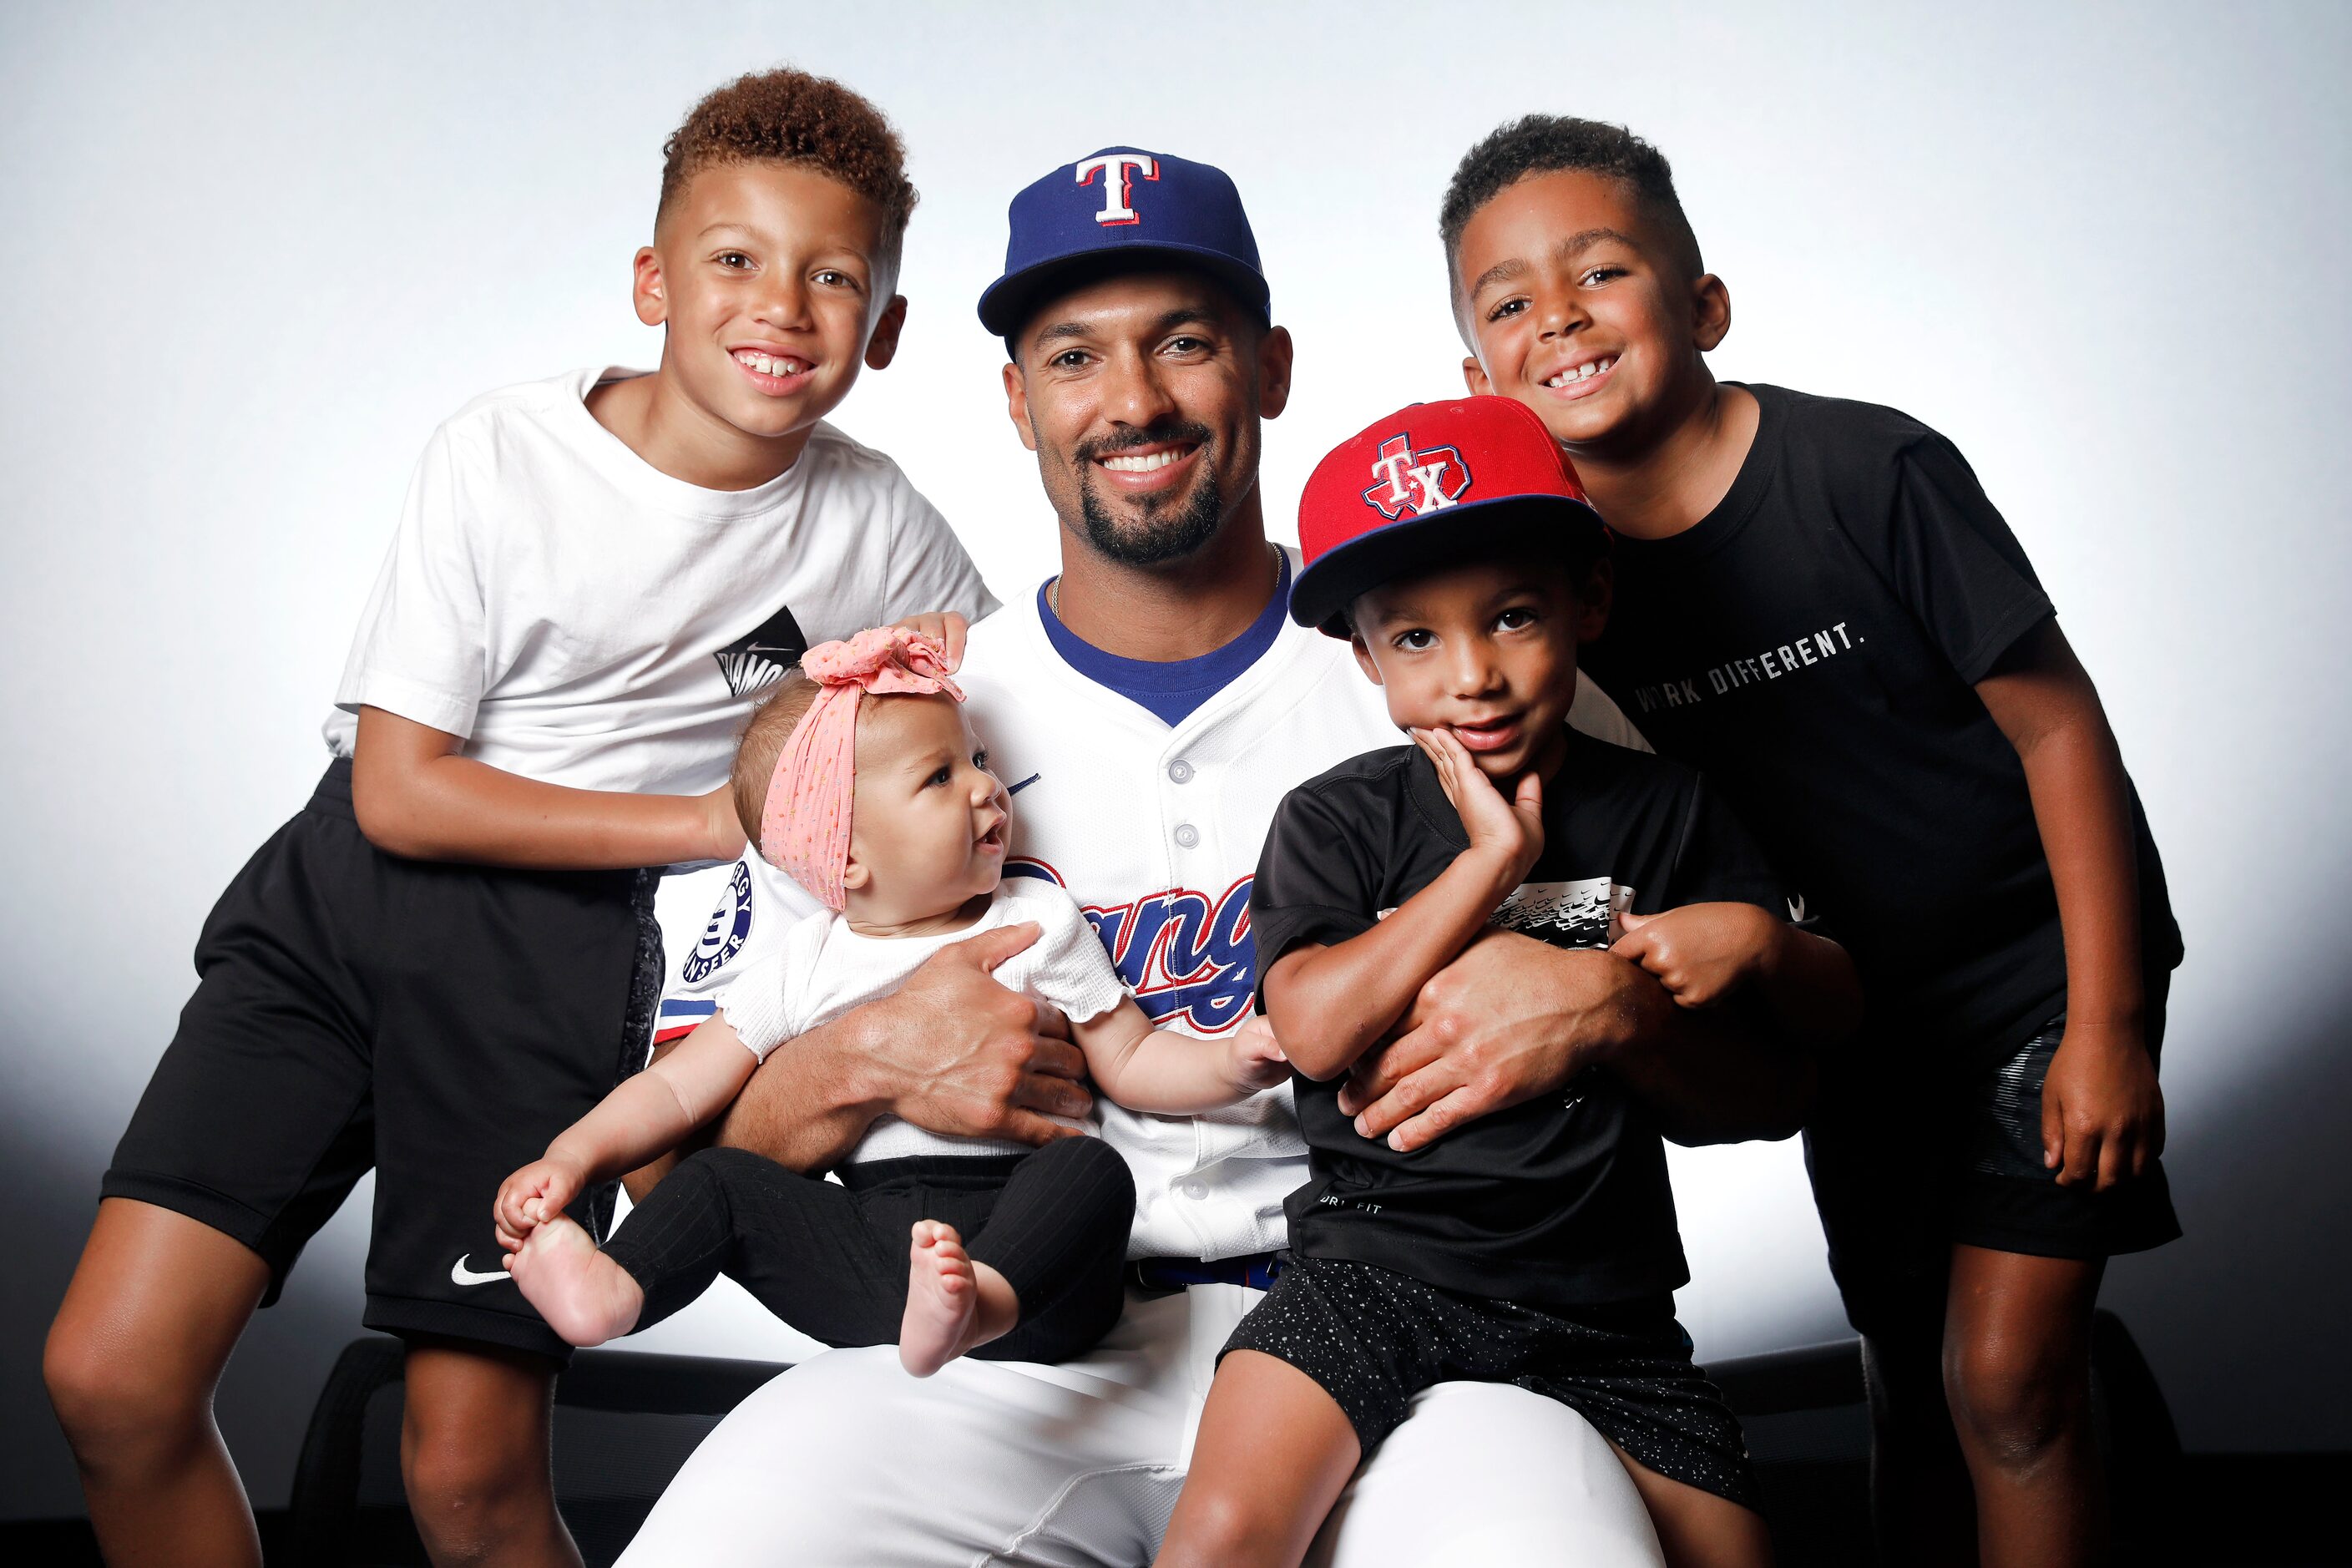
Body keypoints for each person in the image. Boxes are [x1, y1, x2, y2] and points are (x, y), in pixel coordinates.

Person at [617, 148, 1815, 1568]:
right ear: (1015, 398)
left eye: (1185, 341)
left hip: (1430, 1334)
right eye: (1073, 356)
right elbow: (671, 1175)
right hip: (1009, 1339)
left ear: (1270, 367)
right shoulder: (899, 720)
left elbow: (1775, 1054)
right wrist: (857, 1058)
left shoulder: (1457, 661)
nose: (1131, 400)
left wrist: (1614, 1005)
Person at [43, 68, 992, 1568]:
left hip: (551, 960)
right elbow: (401, 790)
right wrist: (714, 820)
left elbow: (976, 745)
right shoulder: (505, 454)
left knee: (467, 1484)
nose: (783, 307)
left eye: (834, 278)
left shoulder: (875, 527)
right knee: (109, 1375)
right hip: (343, 897)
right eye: (735, 259)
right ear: (653, 282)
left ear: (881, 328)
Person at [1441, 115, 2183, 1567]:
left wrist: (2107, 1018)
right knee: (1911, 1374)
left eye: (1600, 271)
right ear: (1477, 377)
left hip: (2030, 976)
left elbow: (2060, 732)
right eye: (1509, 302)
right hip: (1844, 1015)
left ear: (1703, 303)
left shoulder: (1866, 471)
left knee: (2005, 1382)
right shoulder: (1552, 589)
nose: (1560, 320)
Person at [1155, 395, 1861, 1568]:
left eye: (1513, 616)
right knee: (1222, 1537)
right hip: (1376, 1273)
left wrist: (1631, 1012)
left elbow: (1767, 1095)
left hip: (1605, 1308)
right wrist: (1493, 864)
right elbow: (1317, 1030)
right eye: (1417, 639)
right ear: (1365, 654)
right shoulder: (1337, 820)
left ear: (1588, 601)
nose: (1472, 675)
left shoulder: (1668, 810)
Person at [497, 628, 1286, 1374]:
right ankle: (619, 1290)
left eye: (976, 757)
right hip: (875, 1258)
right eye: (941, 777)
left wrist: (1232, 1061)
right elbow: (673, 1087)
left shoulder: (1035, 917)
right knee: (716, 1181)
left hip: (1036, 1264)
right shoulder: (805, 962)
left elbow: (1133, 1058)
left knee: (1091, 1168)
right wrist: (571, 1160)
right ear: (844, 860)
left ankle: (983, 1302)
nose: (987, 786)